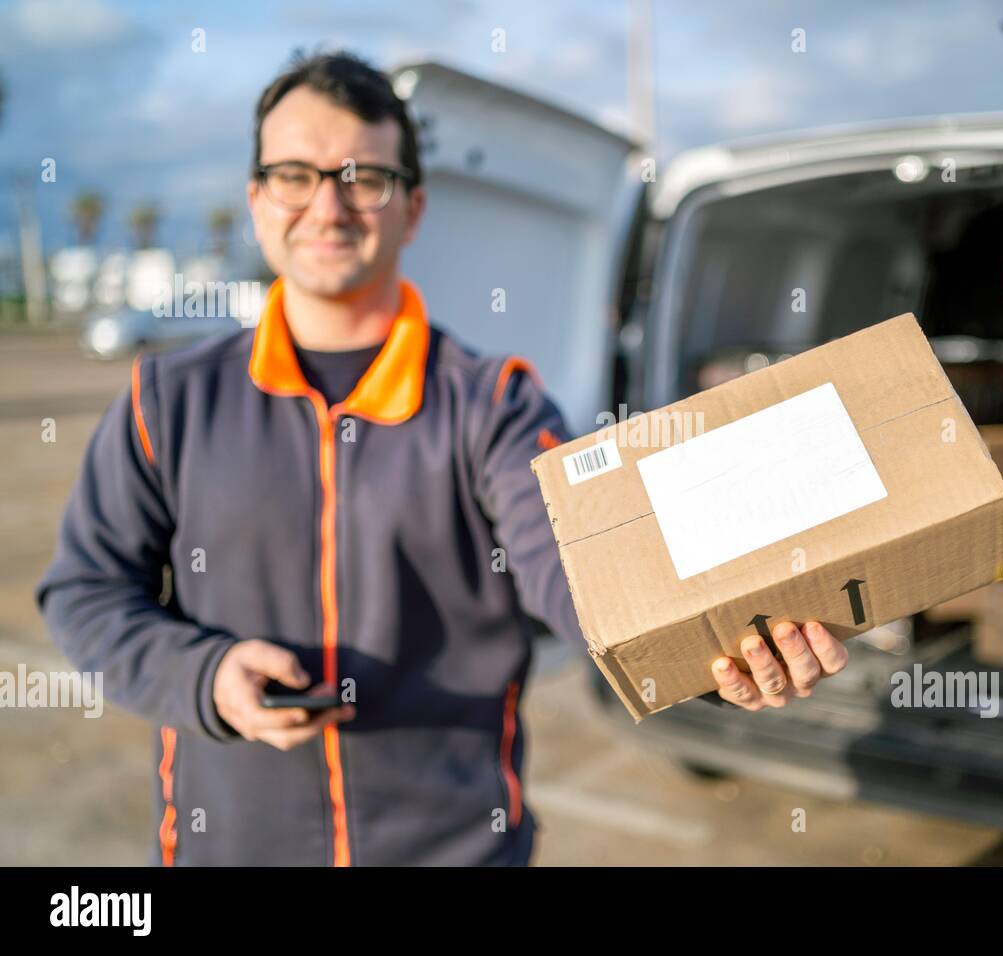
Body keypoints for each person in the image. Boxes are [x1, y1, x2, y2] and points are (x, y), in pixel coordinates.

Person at [35, 50, 849, 866]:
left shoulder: (492, 404)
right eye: (294, 174)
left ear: (414, 208)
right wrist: (202, 674)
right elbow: (87, 591)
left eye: (364, 177)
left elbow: (576, 565)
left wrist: (716, 639)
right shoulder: (165, 401)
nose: (328, 204)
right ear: (255, 199)